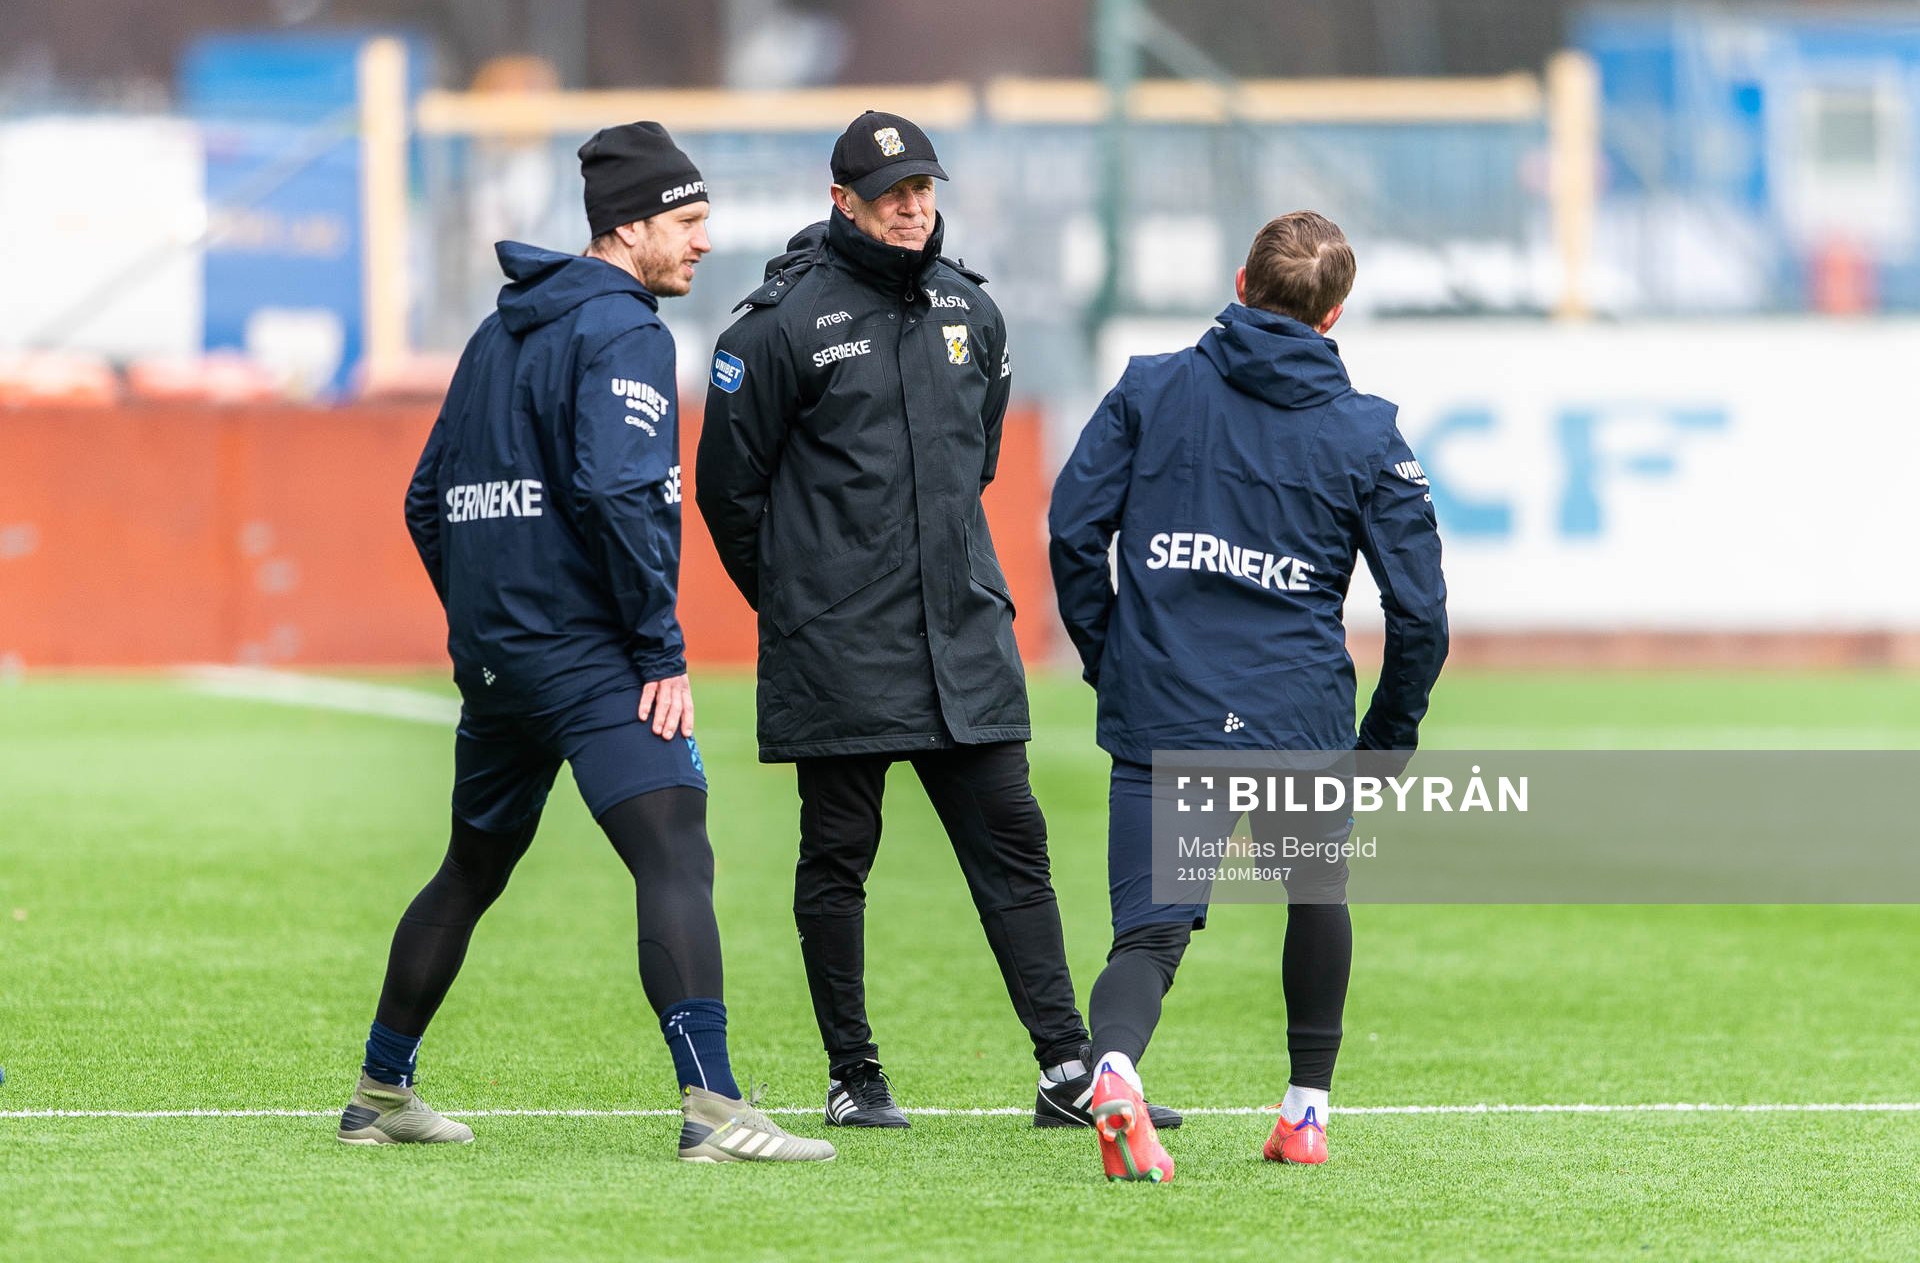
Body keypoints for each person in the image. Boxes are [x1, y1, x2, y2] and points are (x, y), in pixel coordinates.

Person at [337, 121, 833, 1165]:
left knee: (472, 864)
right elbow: (618, 488)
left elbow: (426, 501)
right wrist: (658, 648)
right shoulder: (625, 331)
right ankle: (714, 1105)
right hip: (592, 654)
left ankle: (381, 1088)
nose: (704, 240)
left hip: (502, 659)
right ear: (631, 226)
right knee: (674, 848)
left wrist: (484, 620)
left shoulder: (496, 332)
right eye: (690, 221)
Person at [697, 110, 1178, 1134]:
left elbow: (976, 462)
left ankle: (1065, 1067)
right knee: (837, 856)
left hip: (962, 633)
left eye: (924, 189)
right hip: (839, 647)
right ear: (843, 203)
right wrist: (802, 600)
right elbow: (728, 496)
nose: (913, 209)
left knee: (1016, 845)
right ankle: (853, 1073)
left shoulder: (973, 312)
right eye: (891, 194)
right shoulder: (774, 328)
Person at [1048, 211, 1448, 1182]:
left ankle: (1112, 1069)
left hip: (1166, 708)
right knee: (1314, 895)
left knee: (1147, 932)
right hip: (1295, 718)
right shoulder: (1366, 428)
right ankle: (1305, 1111)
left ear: (1239, 280)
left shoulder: (1152, 386)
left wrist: (1116, 659)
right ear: (1335, 311)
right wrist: (1385, 739)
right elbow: (1422, 612)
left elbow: (1069, 531)